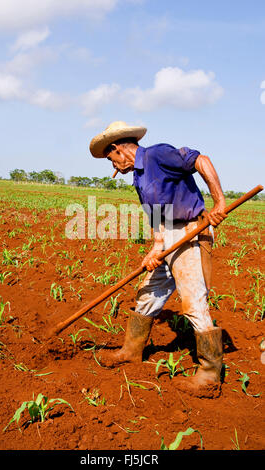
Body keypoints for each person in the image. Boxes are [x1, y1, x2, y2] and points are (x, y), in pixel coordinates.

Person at [89, 121, 227, 397]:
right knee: (148, 294)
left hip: (190, 230)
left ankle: (210, 373)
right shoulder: (139, 177)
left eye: (110, 159)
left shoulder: (156, 155)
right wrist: (155, 247)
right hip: (167, 235)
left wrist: (219, 202)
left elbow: (201, 160)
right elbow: (156, 214)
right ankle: (131, 351)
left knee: (193, 302)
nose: (113, 166)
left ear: (117, 149)